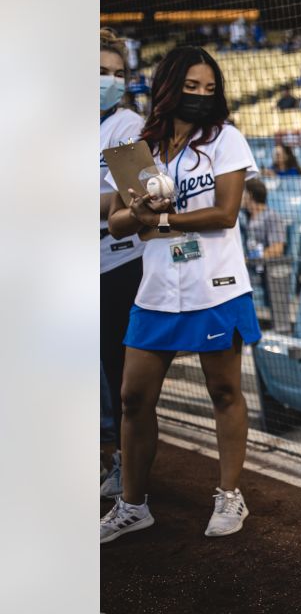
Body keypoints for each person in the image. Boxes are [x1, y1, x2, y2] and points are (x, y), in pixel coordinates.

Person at [100, 46, 263, 543]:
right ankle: (133, 505)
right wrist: (141, 213)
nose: (200, 95)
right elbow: (116, 219)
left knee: (224, 392)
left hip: (215, 286)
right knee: (132, 398)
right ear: (169, 86)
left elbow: (225, 213)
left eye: (208, 88)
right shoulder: (141, 145)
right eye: (191, 86)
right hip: (156, 290)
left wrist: (161, 218)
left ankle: (230, 495)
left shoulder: (224, 139)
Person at [99, 28, 145, 499]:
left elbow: (136, 197)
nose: (109, 82)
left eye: (116, 74)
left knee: (118, 371)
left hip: (116, 264)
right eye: (99, 72)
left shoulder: (127, 126)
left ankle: (123, 465)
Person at [241, 178, 287, 260]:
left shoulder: (272, 217)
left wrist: (250, 259)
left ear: (250, 195)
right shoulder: (243, 217)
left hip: (264, 268)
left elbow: (277, 249)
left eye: (242, 192)